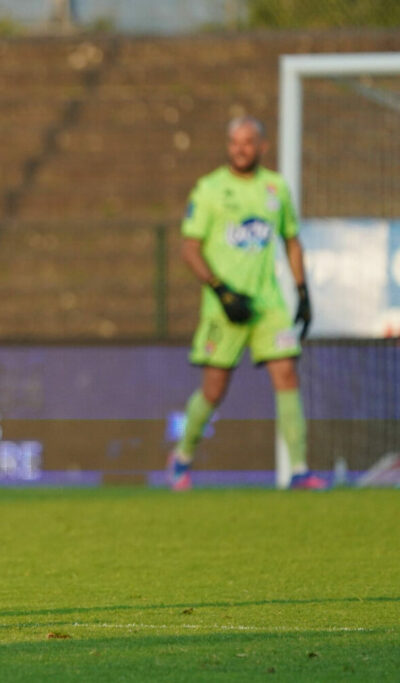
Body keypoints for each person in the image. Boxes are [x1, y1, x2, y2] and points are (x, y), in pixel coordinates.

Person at [168, 115, 327, 491]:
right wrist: (221, 290)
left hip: (267, 304)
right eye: (234, 142)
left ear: (262, 147)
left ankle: (299, 470)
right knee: (214, 389)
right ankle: (182, 456)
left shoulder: (276, 188)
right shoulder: (210, 189)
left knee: (286, 373)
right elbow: (189, 249)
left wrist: (302, 293)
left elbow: (291, 240)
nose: (240, 149)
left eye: (248, 142)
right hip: (223, 305)